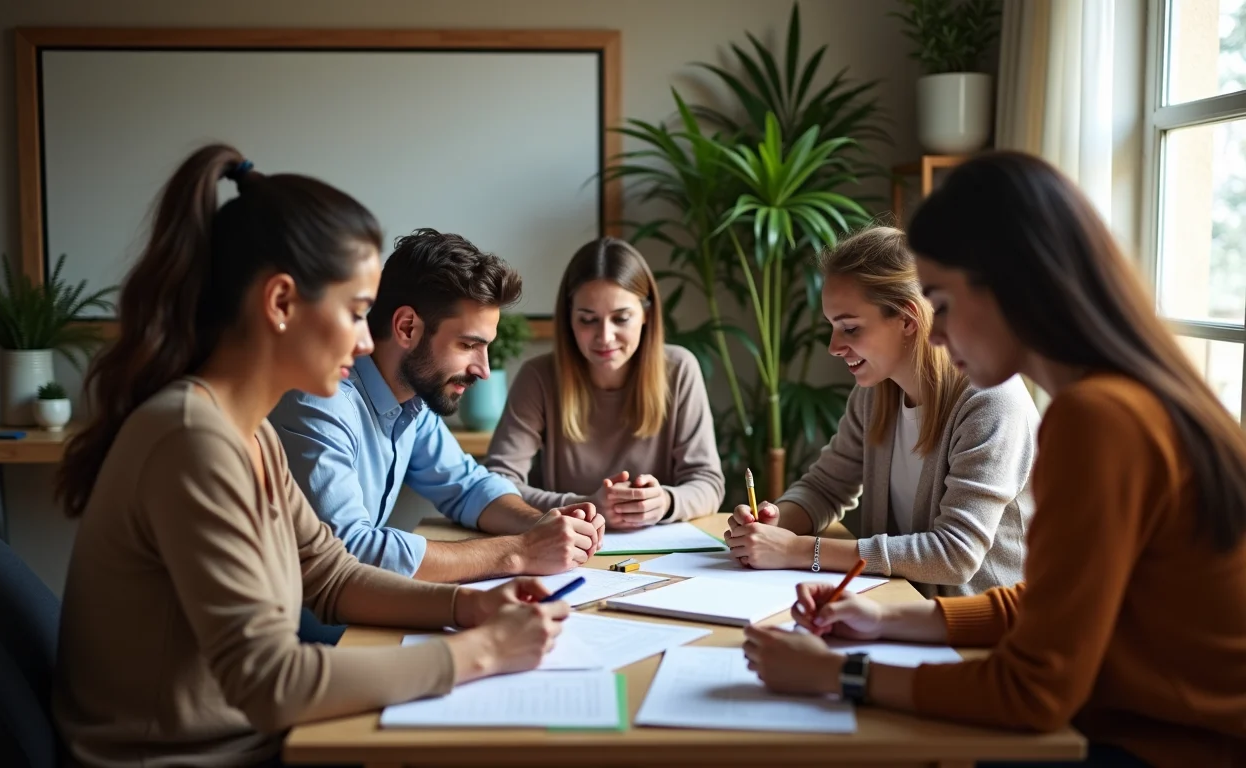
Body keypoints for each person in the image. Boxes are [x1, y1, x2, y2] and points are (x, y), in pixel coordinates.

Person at [52, 146, 570, 767]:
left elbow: (329, 575)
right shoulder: (192, 441)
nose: (363, 339)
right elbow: (270, 683)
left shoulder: (248, 433)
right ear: (279, 304)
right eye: (356, 313)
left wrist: (471, 606)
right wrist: (479, 654)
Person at [743, 152, 1246, 768]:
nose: (932, 332)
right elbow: (1042, 604)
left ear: (1008, 287)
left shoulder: (1097, 419)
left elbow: (1033, 692)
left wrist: (843, 676)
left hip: (1169, 748)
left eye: (942, 305)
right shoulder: (1124, 396)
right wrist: (891, 625)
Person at [269, 229, 603, 586]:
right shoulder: (321, 401)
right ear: (407, 327)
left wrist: (543, 523)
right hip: (313, 634)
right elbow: (350, 550)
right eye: (467, 345)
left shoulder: (413, 400)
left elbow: (467, 486)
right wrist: (520, 551)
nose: (484, 370)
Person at [724, 226, 1038, 597]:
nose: (834, 346)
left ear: (908, 320)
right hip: (895, 608)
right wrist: (777, 524)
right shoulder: (875, 393)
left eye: (850, 328)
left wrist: (798, 550)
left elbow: (955, 554)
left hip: (973, 630)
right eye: (832, 327)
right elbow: (826, 486)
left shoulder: (991, 401)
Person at [484, 237, 725, 528]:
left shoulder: (679, 369)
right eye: (588, 320)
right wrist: (583, 505)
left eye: (621, 318)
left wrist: (666, 502)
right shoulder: (538, 377)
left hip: (661, 553)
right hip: (566, 546)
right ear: (569, 318)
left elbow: (709, 483)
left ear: (646, 315)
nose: (605, 337)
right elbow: (498, 484)